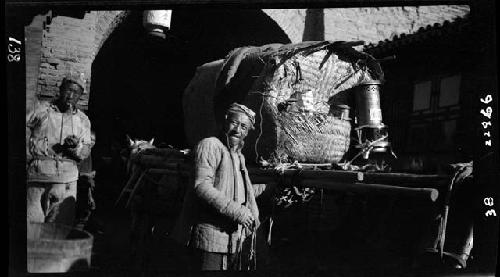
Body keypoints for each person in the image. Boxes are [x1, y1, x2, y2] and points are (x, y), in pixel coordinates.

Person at [171, 103, 261, 271]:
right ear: (225, 121)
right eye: (234, 123)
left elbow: (243, 192)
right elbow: (202, 185)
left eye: (244, 127)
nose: (237, 130)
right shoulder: (210, 145)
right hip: (207, 240)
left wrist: (271, 186)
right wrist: (238, 212)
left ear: (247, 132)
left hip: (230, 241)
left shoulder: (237, 157)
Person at [26, 72, 92, 226]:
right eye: (68, 90)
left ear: (80, 96)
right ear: (61, 90)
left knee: (59, 227)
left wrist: (75, 147)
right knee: (31, 224)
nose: (70, 95)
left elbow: (84, 153)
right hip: (38, 176)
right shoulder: (41, 110)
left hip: (66, 180)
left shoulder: (82, 120)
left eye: (76, 93)